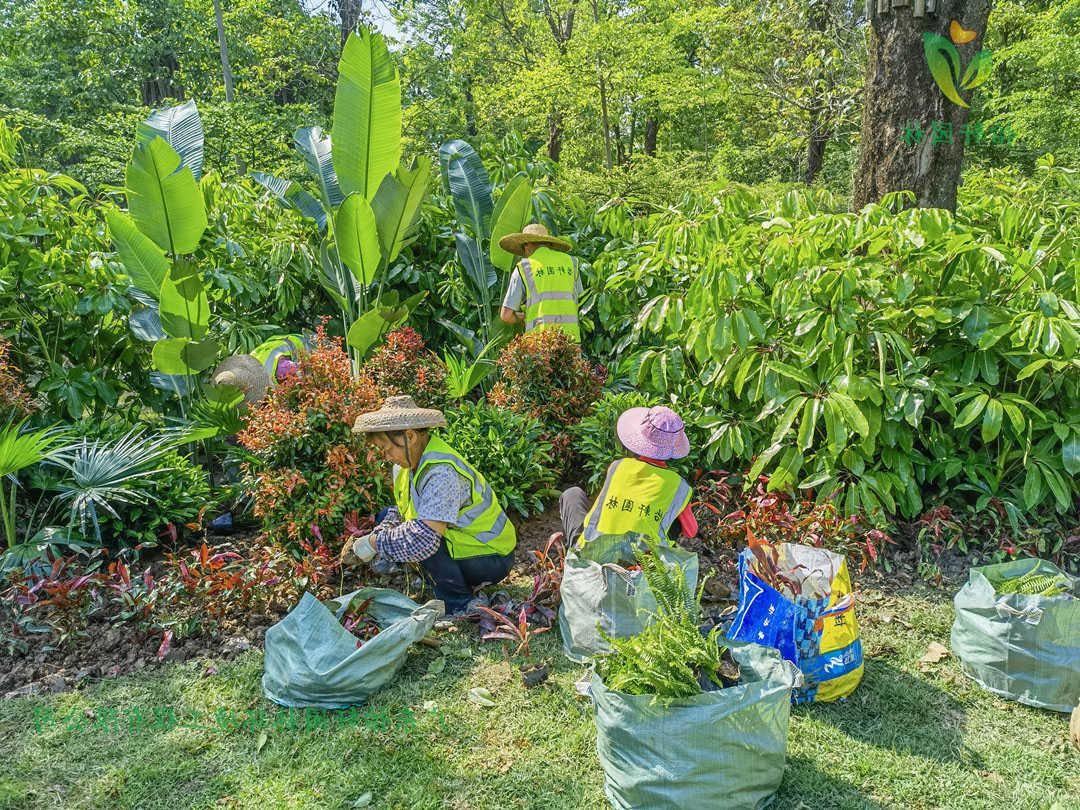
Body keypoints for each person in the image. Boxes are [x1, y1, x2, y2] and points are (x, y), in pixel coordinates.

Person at [344, 395, 518, 615]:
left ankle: (457, 603)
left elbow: (424, 538)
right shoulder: (405, 467)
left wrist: (373, 543)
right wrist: (382, 530)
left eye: (386, 447)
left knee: (424, 538)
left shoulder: (441, 472)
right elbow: (402, 509)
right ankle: (444, 583)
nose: (385, 456)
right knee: (385, 516)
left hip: (491, 555)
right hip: (463, 543)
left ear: (409, 436)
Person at [560, 405, 697, 547]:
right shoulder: (678, 485)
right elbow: (691, 532)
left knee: (572, 493)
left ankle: (572, 555)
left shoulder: (618, 466)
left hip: (592, 556)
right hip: (644, 563)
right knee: (673, 521)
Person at [498, 223, 583, 342]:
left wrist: (522, 317)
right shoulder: (571, 262)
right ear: (549, 244)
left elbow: (506, 315)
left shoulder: (524, 267)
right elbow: (581, 300)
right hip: (571, 339)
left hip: (540, 342)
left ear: (526, 245)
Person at [209, 334, 309, 406]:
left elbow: (306, 371)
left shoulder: (280, 369)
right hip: (275, 342)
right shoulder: (248, 364)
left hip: (307, 344)